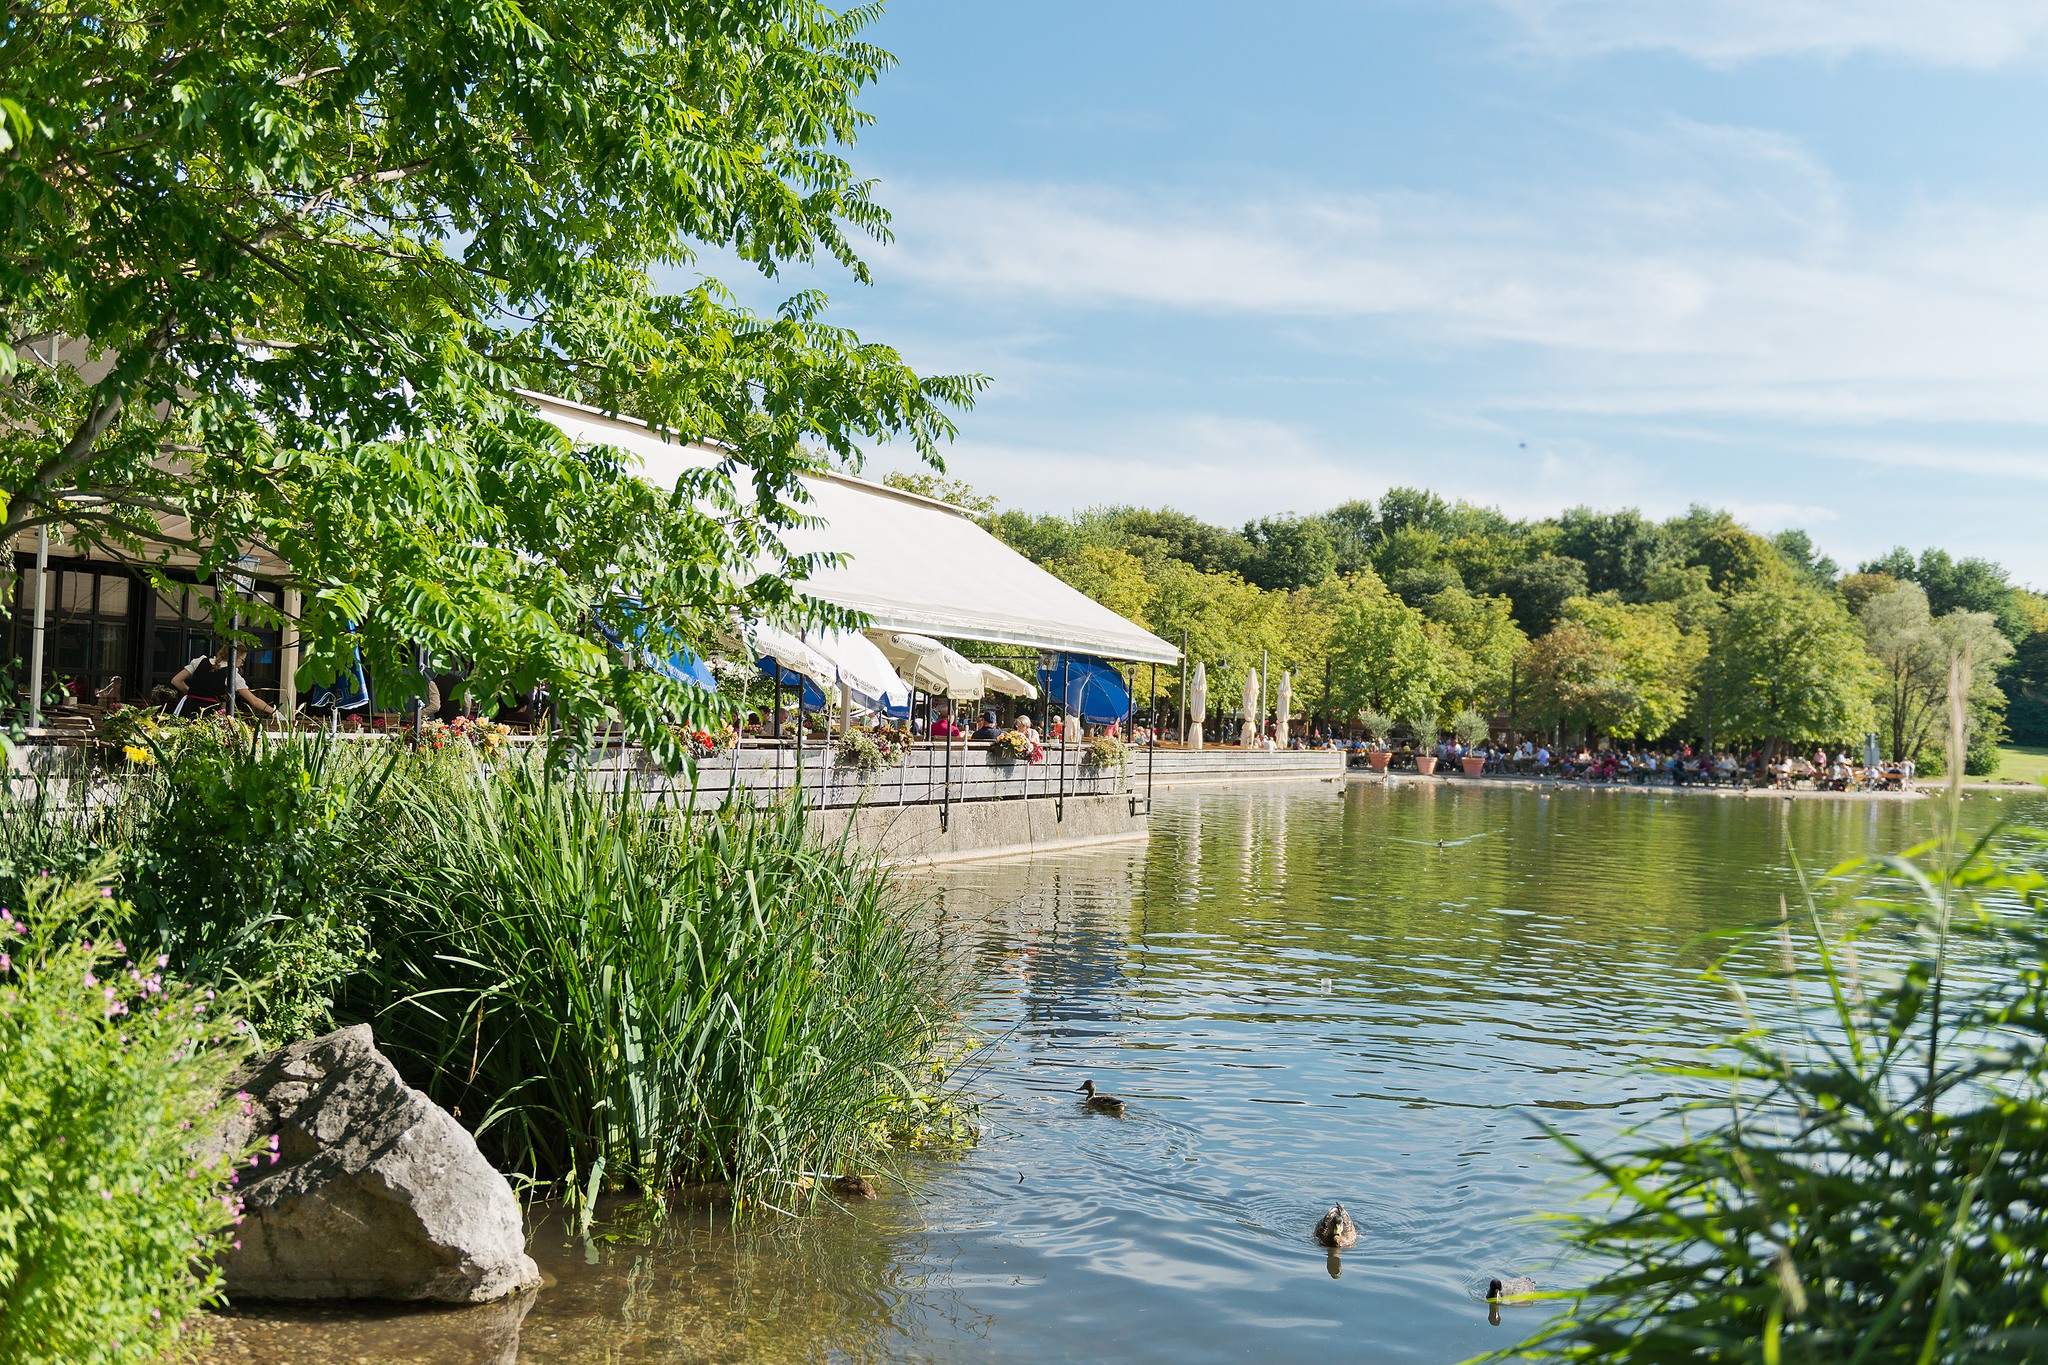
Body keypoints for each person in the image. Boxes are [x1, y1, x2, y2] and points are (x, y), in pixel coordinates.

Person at [170, 645, 278, 721]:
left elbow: (176, 681)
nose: (242, 664)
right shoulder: (232, 675)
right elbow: (254, 701)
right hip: (208, 714)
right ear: (235, 657)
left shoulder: (200, 661)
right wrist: (275, 712)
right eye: (243, 660)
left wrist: (191, 692)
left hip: (187, 710)